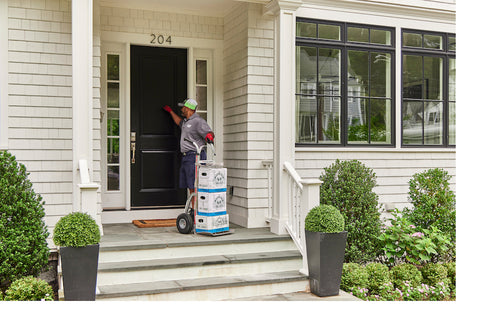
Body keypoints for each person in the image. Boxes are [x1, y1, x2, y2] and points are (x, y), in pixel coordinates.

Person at [163, 98, 214, 210]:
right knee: (190, 185)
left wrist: (209, 136)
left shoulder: (198, 121)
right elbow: (179, 122)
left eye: (183, 107)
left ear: (189, 108)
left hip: (195, 156)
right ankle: (194, 209)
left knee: (195, 184)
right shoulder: (186, 122)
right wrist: (170, 112)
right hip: (187, 157)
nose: (182, 109)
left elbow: (208, 132)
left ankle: (197, 210)